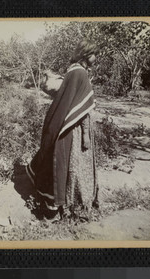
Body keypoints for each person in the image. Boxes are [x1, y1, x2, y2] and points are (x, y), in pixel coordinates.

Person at [26, 40, 99, 218]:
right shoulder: (80, 73)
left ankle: (68, 203)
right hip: (73, 128)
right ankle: (72, 204)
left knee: (68, 165)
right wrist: (86, 135)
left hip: (66, 123)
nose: (96, 58)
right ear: (86, 54)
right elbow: (81, 109)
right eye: (94, 54)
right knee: (72, 166)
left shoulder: (72, 70)